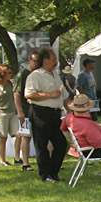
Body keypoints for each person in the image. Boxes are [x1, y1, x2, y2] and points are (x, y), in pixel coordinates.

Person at [24, 47, 70, 183]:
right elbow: (29, 94)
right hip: (40, 112)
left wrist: (74, 110)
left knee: (61, 143)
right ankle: (45, 175)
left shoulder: (55, 75)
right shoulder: (35, 75)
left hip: (55, 113)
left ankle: (53, 172)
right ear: (44, 60)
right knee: (42, 145)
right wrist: (49, 95)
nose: (56, 62)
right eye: (54, 59)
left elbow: (64, 96)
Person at [0, 65, 19, 167]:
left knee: (19, 135)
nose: (11, 74)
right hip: (1, 113)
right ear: (3, 74)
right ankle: (2, 160)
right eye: (9, 73)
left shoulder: (10, 83)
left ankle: (17, 158)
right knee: (3, 137)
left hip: (12, 112)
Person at [13, 50, 39, 171]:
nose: (37, 63)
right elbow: (16, 94)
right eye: (35, 61)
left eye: (39, 61)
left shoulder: (39, 74)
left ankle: (47, 161)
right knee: (26, 136)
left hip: (38, 110)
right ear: (30, 60)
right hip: (26, 110)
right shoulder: (22, 75)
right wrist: (20, 111)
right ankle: (25, 163)